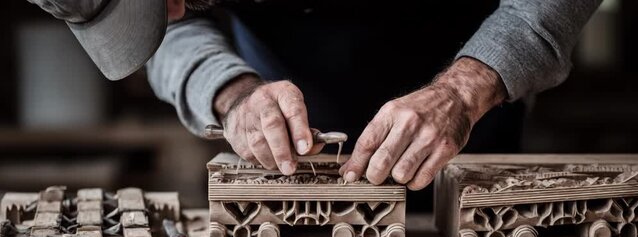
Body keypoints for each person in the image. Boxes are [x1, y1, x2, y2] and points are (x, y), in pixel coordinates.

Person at [28, 0, 602, 192]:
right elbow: (170, 33)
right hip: (291, 98)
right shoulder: (172, 8)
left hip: (471, 119)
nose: (171, 8)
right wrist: (233, 94)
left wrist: (465, 89)